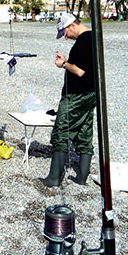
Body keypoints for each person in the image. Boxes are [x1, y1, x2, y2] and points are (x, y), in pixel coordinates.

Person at [39, 13, 96, 187]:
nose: (65, 37)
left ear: (71, 25)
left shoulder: (82, 42)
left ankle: (54, 178)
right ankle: (81, 177)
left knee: (61, 132)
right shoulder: (93, 38)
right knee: (84, 132)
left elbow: (79, 71)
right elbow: (85, 66)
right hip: (91, 93)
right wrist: (67, 60)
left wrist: (63, 64)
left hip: (75, 96)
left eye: (64, 32)